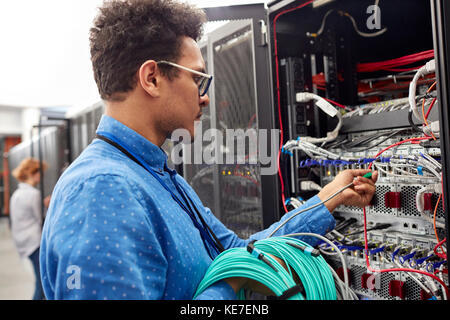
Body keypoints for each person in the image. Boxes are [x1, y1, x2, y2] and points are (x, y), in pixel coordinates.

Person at [40, 0, 378, 300]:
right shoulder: (104, 191)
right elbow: (235, 266)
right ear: (152, 78)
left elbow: (236, 252)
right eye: (197, 79)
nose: (204, 96)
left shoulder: (155, 175)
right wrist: (231, 283)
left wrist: (328, 199)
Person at [10, 157, 50, 300]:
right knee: (42, 284)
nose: (41, 176)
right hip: (35, 242)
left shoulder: (16, 194)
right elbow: (41, 219)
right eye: (40, 172)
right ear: (33, 173)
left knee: (39, 281)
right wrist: (48, 206)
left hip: (23, 241)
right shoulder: (34, 194)